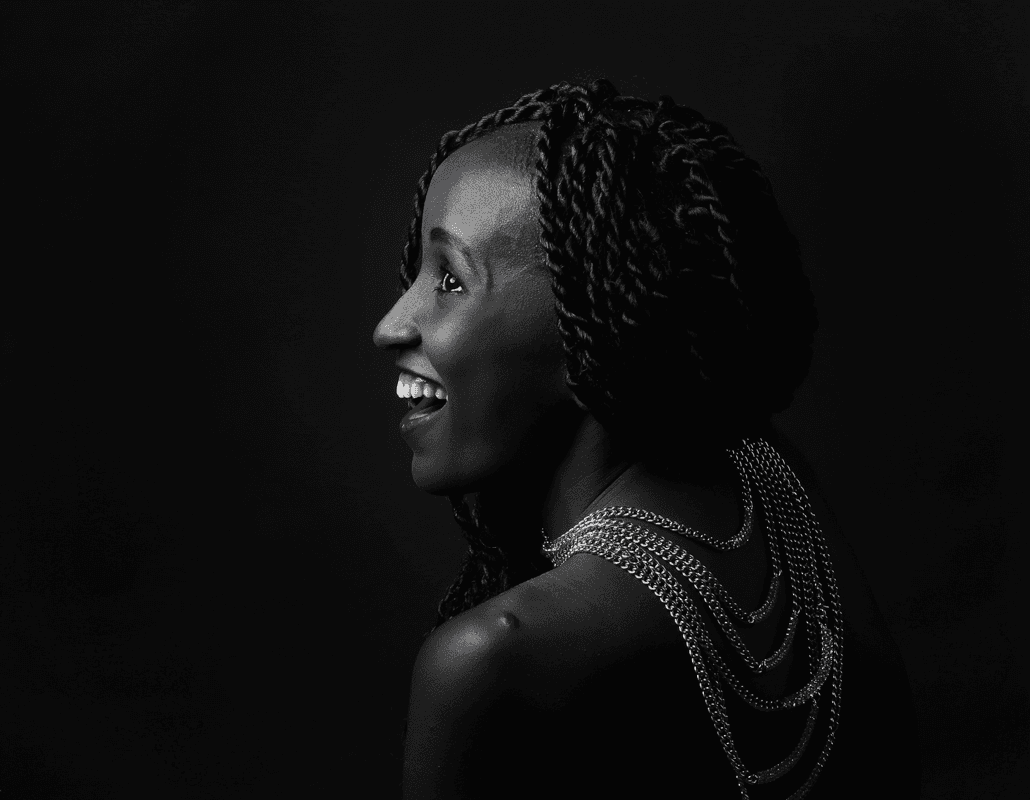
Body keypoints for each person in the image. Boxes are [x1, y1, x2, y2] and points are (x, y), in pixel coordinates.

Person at [373, 79, 919, 798]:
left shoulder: (490, 658)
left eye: (448, 279)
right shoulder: (767, 475)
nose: (390, 325)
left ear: (589, 334)